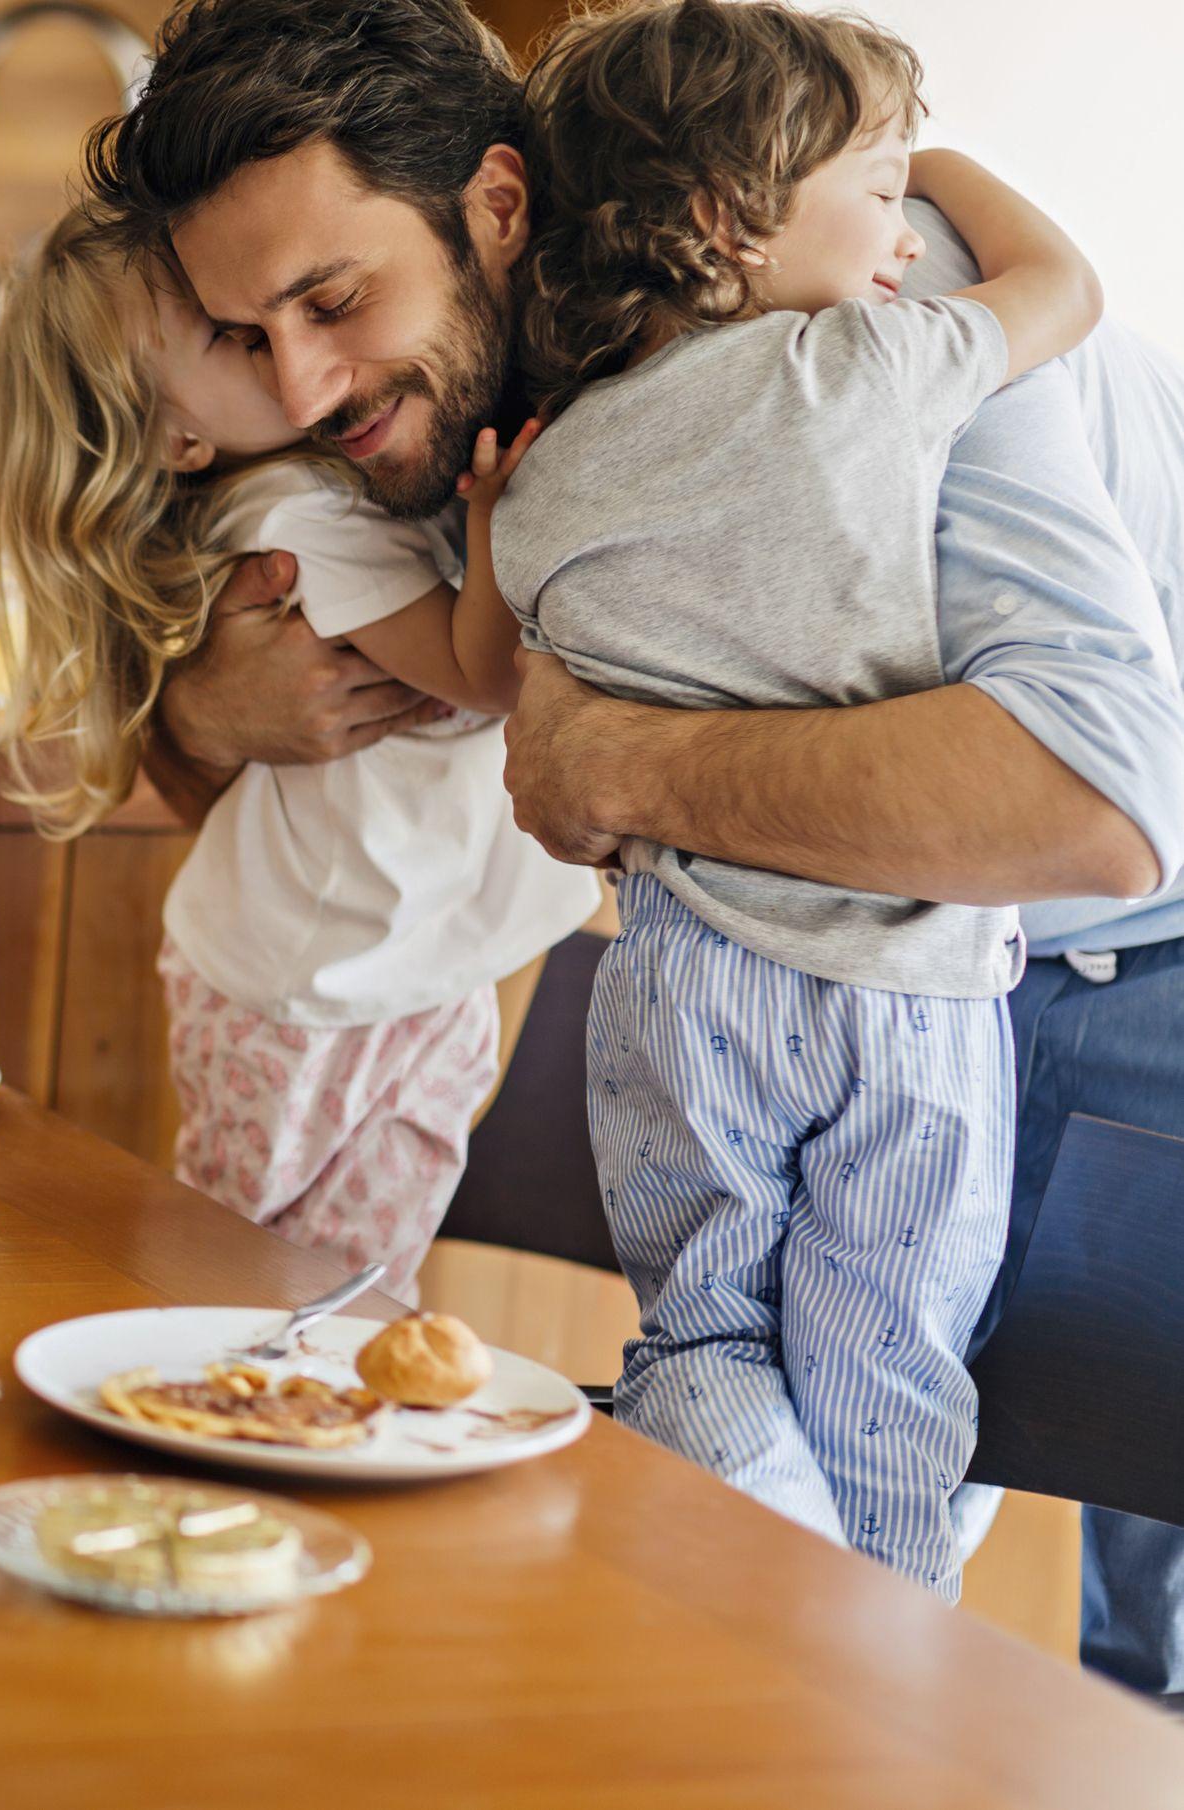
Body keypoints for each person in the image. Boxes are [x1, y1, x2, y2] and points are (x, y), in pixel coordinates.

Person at [91, 0, 1184, 1679]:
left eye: (335, 301)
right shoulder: (466, 423)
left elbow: (1097, 811)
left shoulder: (878, 283)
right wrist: (212, 712)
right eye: (251, 333)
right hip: (826, 979)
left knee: (1083, 1663)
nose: (301, 387)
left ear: (503, 208)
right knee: (777, 1598)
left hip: (1116, 990)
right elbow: (223, 745)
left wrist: (618, 763)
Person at [477, 0, 1100, 1597]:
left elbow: (504, 671)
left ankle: (760, 1615)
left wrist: (488, 518)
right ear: (721, 218)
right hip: (900, 986)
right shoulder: (866, 365)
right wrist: (954, 162)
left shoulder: (552, 466)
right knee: (887, 1359)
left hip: (683, 979)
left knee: (699, 1327)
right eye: (874, 189)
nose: (901, 233)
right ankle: (864, 1671)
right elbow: (1060, 291)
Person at [0, 206, 596, 1295]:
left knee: (332, 1290)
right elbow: (483, 671)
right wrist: (501, 518)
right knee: (249, 1289)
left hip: (390, 960)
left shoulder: (326, 485)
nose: (291, 362)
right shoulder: (293, 513)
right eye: (235, 337)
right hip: (308, 984)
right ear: (179, 436)